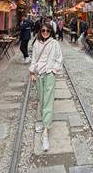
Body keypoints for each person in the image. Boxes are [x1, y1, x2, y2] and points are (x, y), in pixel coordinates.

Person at [29, 23, 63, 152]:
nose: (45, 32)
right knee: (41, 99)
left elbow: (59, 58)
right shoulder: (36, 43)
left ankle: (45, 133)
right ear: (40, 31)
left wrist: (54, 70)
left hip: (49, 75)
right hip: (39, 75)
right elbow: (33, 59)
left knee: (48, 101)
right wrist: (32, 72)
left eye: (48, 31)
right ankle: (43, 122)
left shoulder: (54, 43)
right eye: (43, 30)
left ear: (51, 32)